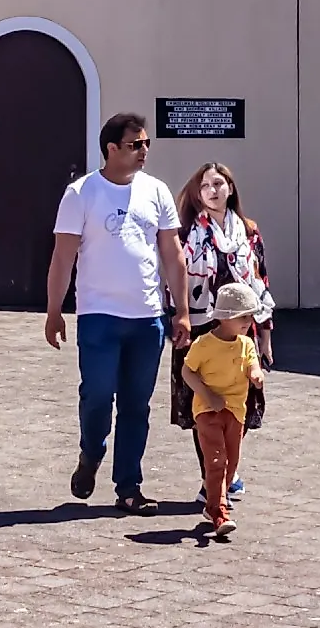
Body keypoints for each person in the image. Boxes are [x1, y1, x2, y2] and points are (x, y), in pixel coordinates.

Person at [46, 111, 190, 513]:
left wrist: (181, 311)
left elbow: (172, 254)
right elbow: (62, 258)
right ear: (111, 149)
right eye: (135, 144)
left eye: (146, 144)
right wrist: (54, 310)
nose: (144, 151)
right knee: (97, 395)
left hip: (147, 318)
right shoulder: (81, 194)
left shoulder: (156, 191)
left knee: (136, 404)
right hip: (98, 316)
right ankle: (91, 453)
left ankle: (129, 486)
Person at [170, 162, 273, 501]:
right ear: (197, 194)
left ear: (231, 187)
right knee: (205, 405)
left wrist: (264, 336)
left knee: (240, 404)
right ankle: (212, 480)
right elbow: (173, 277)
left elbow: (261, 281)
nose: (212, 190)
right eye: (205, 185)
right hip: (200, 328)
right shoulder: (185, 231)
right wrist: (179, 317)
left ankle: (227, 471)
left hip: (242, 330)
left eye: (219, 183)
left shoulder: (248, 230)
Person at [180, 281, 269, 539]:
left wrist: (256, 374)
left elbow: (253, 363)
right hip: (207, 411)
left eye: (250, 316)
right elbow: (187, 371)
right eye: (243, 316)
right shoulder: (204, 344)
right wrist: (208, 395)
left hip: (235, 411)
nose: (248, 321)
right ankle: (219, 513)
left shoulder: (246, 343)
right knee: (216, 460)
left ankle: (212, 503)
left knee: (231, 463)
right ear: (225, 318)